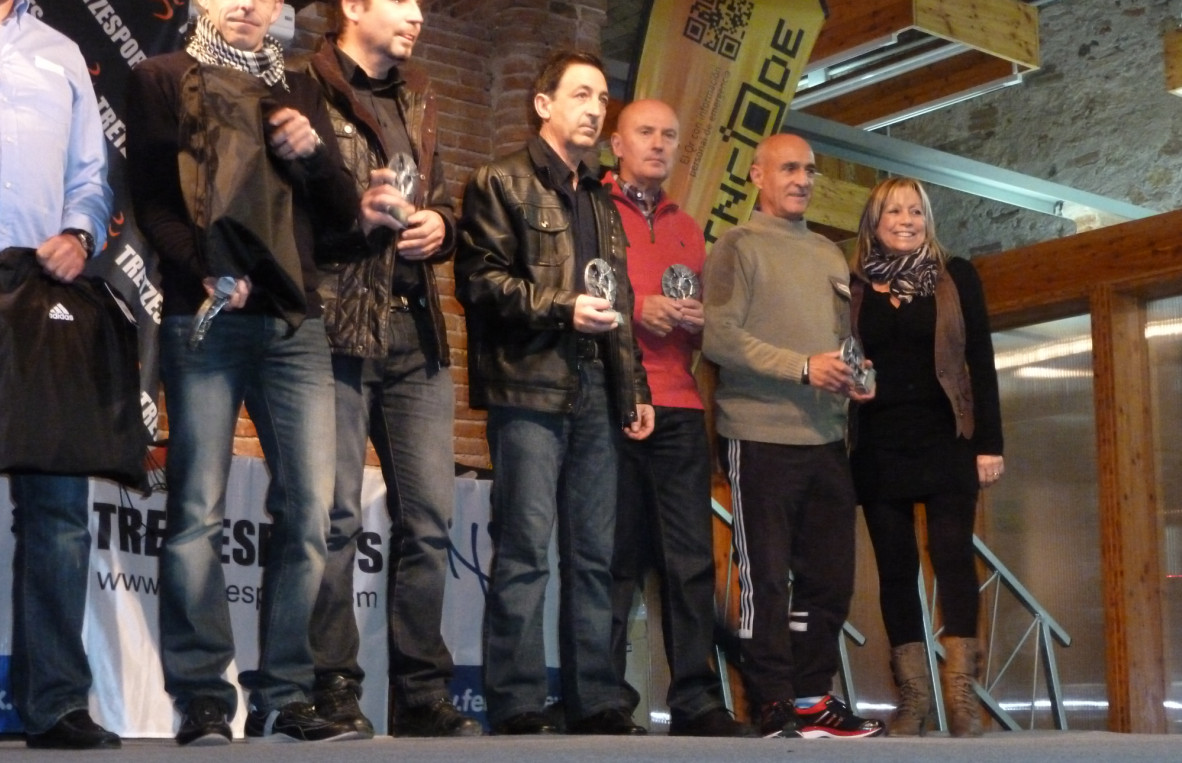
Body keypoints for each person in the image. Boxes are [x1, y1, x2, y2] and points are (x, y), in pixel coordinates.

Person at [126, 0, 361, 745]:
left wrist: (314, 157)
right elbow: (153, 203)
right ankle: (202, 695)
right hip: (205, 316)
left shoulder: (297, 89)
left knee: (311, 511)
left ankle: (284, 695)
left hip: (295, 323)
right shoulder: (162, 77)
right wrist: (205, 272)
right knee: (197, 508)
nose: (246, 5)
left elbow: (345, 219)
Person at [456, 51, 655, 736]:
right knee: (524, 549)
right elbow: (479, 282)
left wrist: (635, 387)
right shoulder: (499, 180)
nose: (596, 108)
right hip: (527, 385)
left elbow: (620, 299)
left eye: (602, 97)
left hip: (598, 384)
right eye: (581, 94)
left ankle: (595, 698)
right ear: (543, 104)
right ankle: (515, 701)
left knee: (595, 554)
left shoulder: (602, 198)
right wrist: (562, 307)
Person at [299, 0, 480, 738]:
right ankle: (332, 685)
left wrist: (443, 227)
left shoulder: (419, 95)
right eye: (401, 2)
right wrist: (355, 218)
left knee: (431, 519)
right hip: (337, 325)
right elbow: (290, 213)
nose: (417, 16)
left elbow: (435, 200)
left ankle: (421, 693)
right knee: (335, 516)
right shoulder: (304, 86)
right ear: (353, 7)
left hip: (416, 330)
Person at [701, 133, 884, 740]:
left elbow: (840, 341)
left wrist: (857, 374)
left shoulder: (831, 254)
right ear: (758, 176)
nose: (802, 179)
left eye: (808, 170)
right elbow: (718, 337)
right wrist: (802, 367)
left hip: (827, 438)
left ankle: (812, 698)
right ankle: (772, 700)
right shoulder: (737, 246)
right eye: (788, 169)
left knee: (829, 580)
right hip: (758, 435)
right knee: (766, 579)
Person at [604, 99, 753, 738]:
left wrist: (697, 321)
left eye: (669, 134)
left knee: (690, 562)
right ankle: (606, 701)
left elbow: (707, 329)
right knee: (614, 560)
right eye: (646, 132)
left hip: (682, 407)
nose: (659, 143)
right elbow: (578, 293)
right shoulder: (592, 210)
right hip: (614, 400)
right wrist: (638, 307)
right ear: (618, 143)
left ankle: (696, 701)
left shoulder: (690, 228)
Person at [0, 0, 116, 749]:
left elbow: (91, 174)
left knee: (58, 511)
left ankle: (54, 703)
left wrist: (80, 231)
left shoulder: (61, 50)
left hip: (37, 294)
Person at [849, 177, 1004, 738]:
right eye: (894, 211)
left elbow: (980, 359)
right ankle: (913, 699)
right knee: (895, 570)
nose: (907, 220)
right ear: (875, 221)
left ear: (928, 219)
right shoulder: (853, 284)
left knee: (952, 556)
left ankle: (961, 696)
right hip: (878, 443)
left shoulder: (955, 275)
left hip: (948, 437)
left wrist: (990, 444)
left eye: (916, 211)